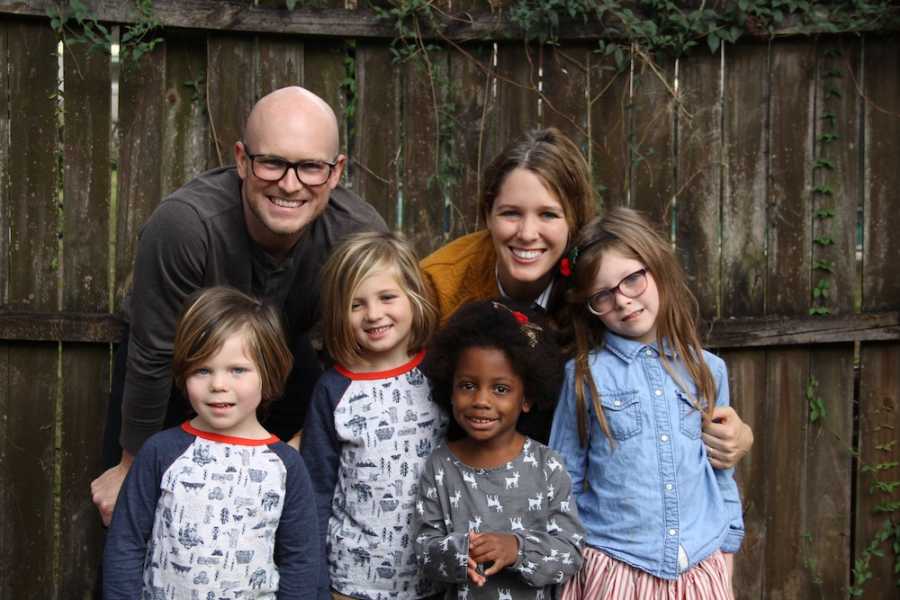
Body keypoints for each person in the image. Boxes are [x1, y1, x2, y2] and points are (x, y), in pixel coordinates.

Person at [91, 86, 387, 526]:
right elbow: (153, 352)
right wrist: (133, 467)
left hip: (283, 353)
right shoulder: (185, 225)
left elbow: (366, 353)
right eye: (272, 162)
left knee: (291, 509)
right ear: (242, 159)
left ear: (336, 171)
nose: (290, 184)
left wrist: (309, 437)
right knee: (136, 512)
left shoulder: (358, 235)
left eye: (309, 167)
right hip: (178, 362)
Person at [420, 127, 753, 461]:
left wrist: (738, 433)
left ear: (573, 220)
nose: (527, 233)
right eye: (510, 213)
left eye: (548, 214)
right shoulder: (440, 282)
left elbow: (660, 368)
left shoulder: (597, 284)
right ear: (487, 215)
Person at [549, 208, 743, 598]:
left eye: (633, 279)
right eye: (603, 295)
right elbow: (562, 474)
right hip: (615, 563)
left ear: (657, 268)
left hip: (699, 563)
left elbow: (720, 469)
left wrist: (728, 546)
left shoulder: (709, 370)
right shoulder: (585, 376)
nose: (622, 301)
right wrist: (572, 554)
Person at [103, 287, 319, 599]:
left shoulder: (286, 465)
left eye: (238, 370)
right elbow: (125, 545)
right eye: (203, 370)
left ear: (268, 373)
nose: (218, 385)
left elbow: (301, 561)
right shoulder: (161, 453)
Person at [300, 232, 448, 600]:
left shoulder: (440, 373)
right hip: (352, 582)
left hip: (434, 578)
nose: (374, 314)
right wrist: (316, 580)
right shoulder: (333, 390)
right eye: (356, 305)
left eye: (387, 297)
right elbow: (317, 488)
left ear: (413, 297)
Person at [415, 300, 584, 600]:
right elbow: (424, 551)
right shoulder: (440, 466)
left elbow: (570, 555)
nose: (481, 400)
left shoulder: (548, 466)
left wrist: (517, 549)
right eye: (467, 385)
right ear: (450, 390)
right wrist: (459, 552)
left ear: (527, 398)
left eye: (501, 389)